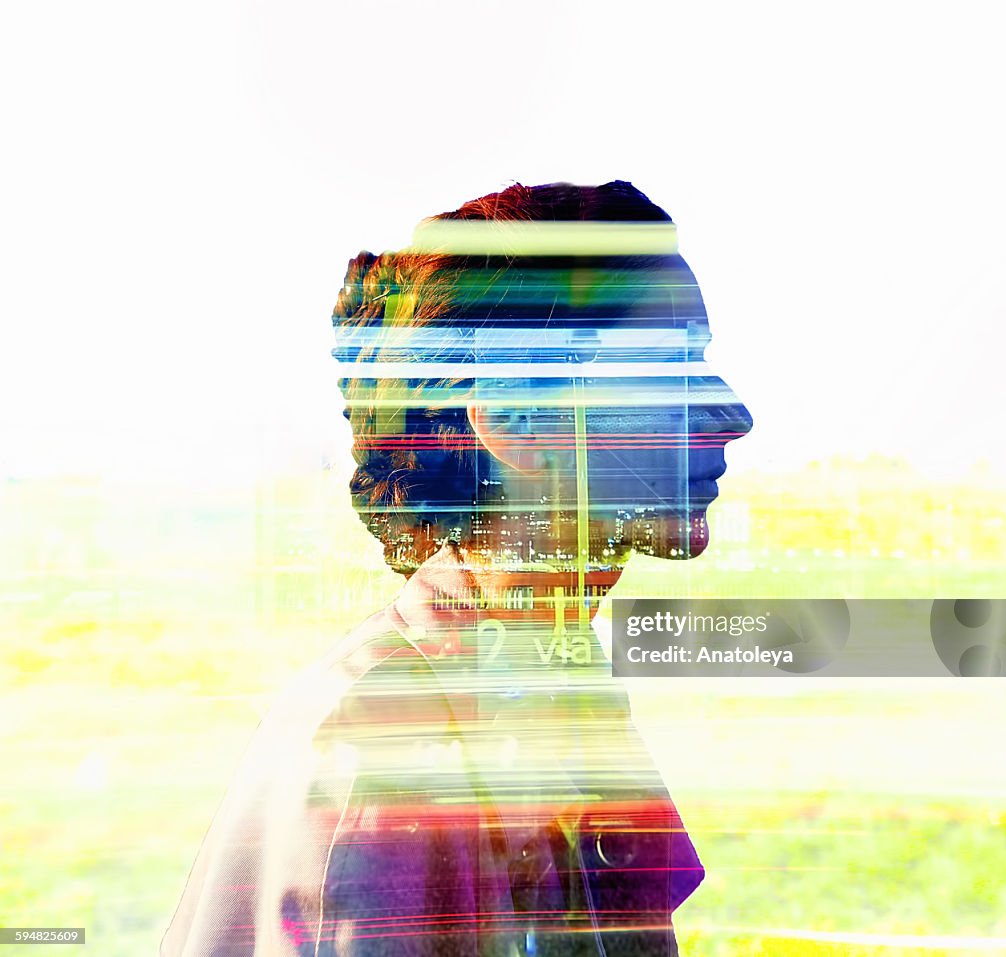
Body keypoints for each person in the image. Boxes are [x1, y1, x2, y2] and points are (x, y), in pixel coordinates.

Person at [161, 180, 752, 956]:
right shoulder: (385, 737)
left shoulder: (556, 689)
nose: (733, 414)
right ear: (514, 419)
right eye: (669, 364)